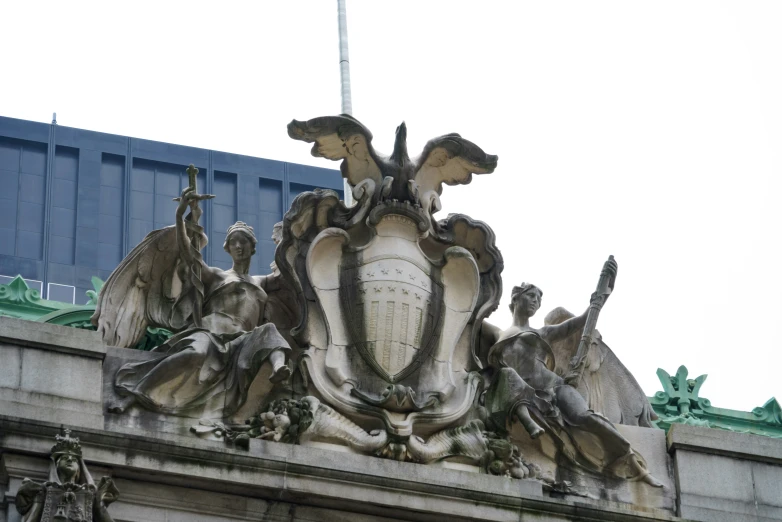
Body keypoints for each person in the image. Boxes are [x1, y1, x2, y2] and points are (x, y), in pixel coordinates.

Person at [108, 187, 291, 417]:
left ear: (252, 247)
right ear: (227, 248)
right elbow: (189, 256)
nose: (238, 246)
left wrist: (288, 238)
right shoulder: (217, 276)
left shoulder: (261, 282)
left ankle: (279, 369)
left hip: (242, 341)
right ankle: (135, 393)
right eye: (234, 242)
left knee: (270, 331)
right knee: (194, 353)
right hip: (212, 333)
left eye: (243, 241)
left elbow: (288, 273)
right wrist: (181, 217)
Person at [482, 268, 663, 486]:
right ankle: (528, 423)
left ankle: (631, 460)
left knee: (584, 417)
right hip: (521, 392)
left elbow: (580, 321)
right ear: (516, 298)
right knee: (506, 374)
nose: (535, 302)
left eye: (539, 299)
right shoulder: (496, 333)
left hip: (555, 389)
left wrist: (602, 296)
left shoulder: (543, 333)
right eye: (531, 296)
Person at [15, 429, 119, 521]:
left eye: (74, 459)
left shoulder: (90, 495)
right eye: (64, 458)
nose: (69, 459)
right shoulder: (45, 491)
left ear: (79, 469)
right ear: (56, 465)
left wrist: (98, 504)